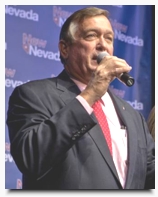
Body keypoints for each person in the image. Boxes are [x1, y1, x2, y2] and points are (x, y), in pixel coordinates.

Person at [6, 6, 155, 190]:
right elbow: (31, 158)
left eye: (108, 38)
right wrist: (91, 93)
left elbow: (149, 176)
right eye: (92, 35)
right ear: (64, 48)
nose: (103, 45)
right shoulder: (32, 95)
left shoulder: (133, 116)